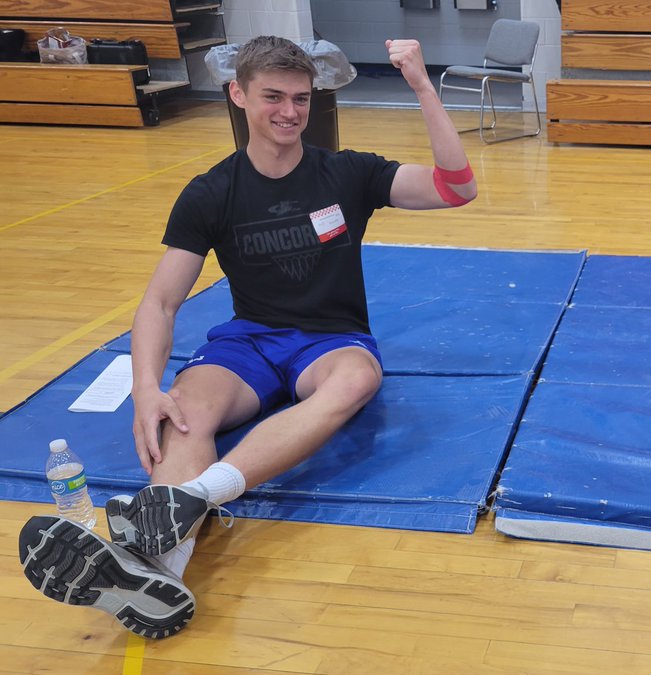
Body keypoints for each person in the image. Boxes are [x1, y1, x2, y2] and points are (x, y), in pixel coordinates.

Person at [18, 35, 477, 639]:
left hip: (329, 341)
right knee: (182, 411)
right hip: (248, 343)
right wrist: (147, 387)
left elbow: (456, 187)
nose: (289, 111)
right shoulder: (212, 191)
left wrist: (421, 84)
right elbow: (160, 301)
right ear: (238, 95)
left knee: (357, 378)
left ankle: (189, 505)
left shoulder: (346, 173)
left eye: (301, 99)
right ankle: (161, 570)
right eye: (273, 97)